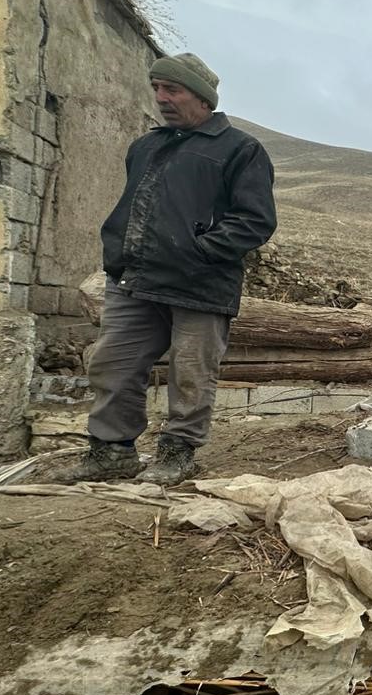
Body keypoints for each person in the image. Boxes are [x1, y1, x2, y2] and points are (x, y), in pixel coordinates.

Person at [65, 53, 277, 485]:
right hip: (135, 279)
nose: (161, 97)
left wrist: (198, 251)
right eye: (157, 88)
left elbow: (255, 220)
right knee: (112, 364)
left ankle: (178, 454)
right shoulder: (145, 147)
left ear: (202, 98)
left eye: (172, 89)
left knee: (191, 373)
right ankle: (111, 453)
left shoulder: (240, 149)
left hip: (200, 283)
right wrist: (119, 251)